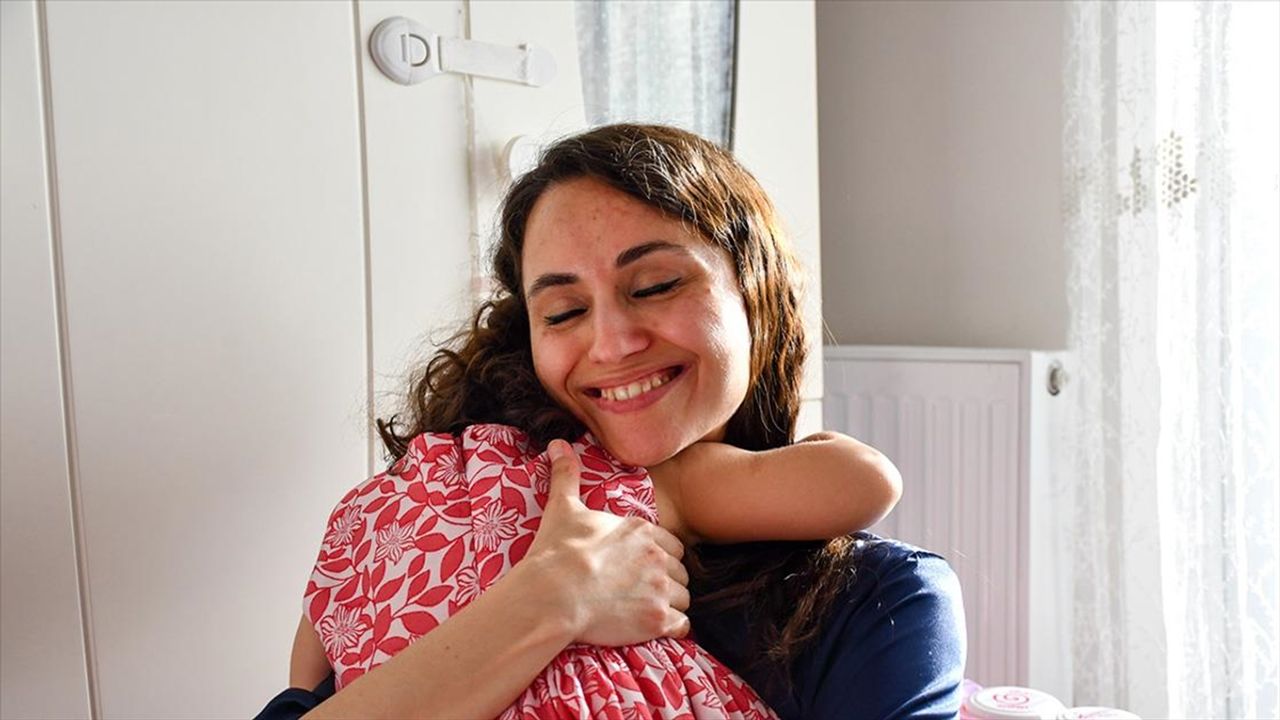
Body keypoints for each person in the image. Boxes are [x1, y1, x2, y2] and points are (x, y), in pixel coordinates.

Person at [257, 123, 966, 719]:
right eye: (564, 311)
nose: (612, 343)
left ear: (756, 291)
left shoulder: (875, 601)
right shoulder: (431, 506)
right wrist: (547, 601)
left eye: (656, 285)